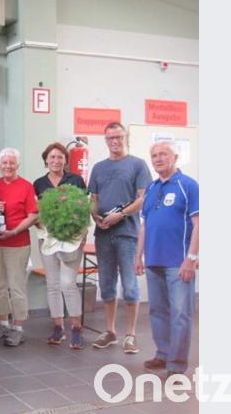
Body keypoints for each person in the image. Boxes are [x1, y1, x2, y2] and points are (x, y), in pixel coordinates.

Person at [135, 141, 199, 376]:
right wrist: (138, 256)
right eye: (154, 155)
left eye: (164, 154)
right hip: (153, 261)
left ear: (175, 157)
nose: (158, 159)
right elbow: (144, 226)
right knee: (157, 312)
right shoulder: (151, 188)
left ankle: (176, 364)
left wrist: (191, 258)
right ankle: (163, 354)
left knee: (180, 314)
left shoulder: (188, 185)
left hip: (178, 263)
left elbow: (199, 224)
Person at [88, 122, 152, 354]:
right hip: (103, 234)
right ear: (105, 140)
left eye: (118, 137)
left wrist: (121, 214)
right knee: (106, 284)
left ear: (126, 137)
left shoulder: (137, 165)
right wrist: (95, 216)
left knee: (130, 286)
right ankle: (110, 332)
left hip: (127, 234)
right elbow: (93, 199)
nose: (114, 141)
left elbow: (144, 198)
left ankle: (130, 335)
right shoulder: (98, 168)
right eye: (110, 138)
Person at [32, 143, 88, 350]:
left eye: (60, 157)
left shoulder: (76, 180)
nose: (56, 161)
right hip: (47, 239)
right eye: (52, 157)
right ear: (46, 160)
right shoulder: (39, 184)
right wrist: (38, 222)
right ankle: (58, 326)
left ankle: (76, 328)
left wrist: (83, 233)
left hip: (71, 239)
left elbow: (84, 209)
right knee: (53, 284)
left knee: (67, 283)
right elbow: (35, 211)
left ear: (66, 160)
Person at [0, 148, 38, 347]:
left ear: (18, 165)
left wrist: (14, 231)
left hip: (17, 243)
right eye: (5, 162)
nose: (8, 166)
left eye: (12, 162)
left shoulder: (26, 186)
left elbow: (33, 215)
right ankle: (3, 322)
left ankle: (18, 327)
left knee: (16, 287)